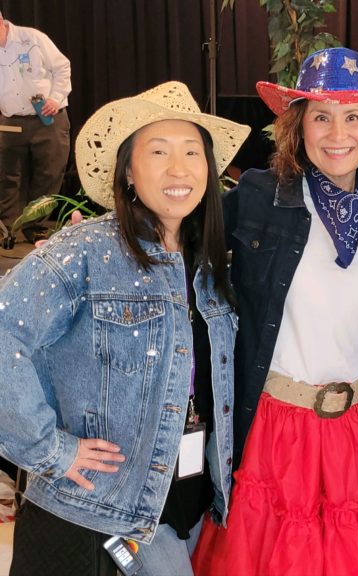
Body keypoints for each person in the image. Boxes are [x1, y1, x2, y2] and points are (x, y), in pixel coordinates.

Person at [0, 81, 250, 575]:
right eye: (158, 151)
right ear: (129, 172)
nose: (179, 169)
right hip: (109, 510)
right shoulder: (85, 252)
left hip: (193, 502)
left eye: (191, 152)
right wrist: (50, 449)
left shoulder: (210, 266)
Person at [191, 47, 358, 575]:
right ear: (299, 127)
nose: (338, 133)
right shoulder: (259, 197)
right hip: (278, 432)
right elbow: (178, 238)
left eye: (353, 116)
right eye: (321, 116)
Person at [0, 10, 71, 241]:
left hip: (47, 118)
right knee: (8, 175)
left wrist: (55, 98)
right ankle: (8, 228)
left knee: (48, 172)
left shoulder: (32, 38)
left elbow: (62, 67)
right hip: (10, 121)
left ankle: (35, 226)